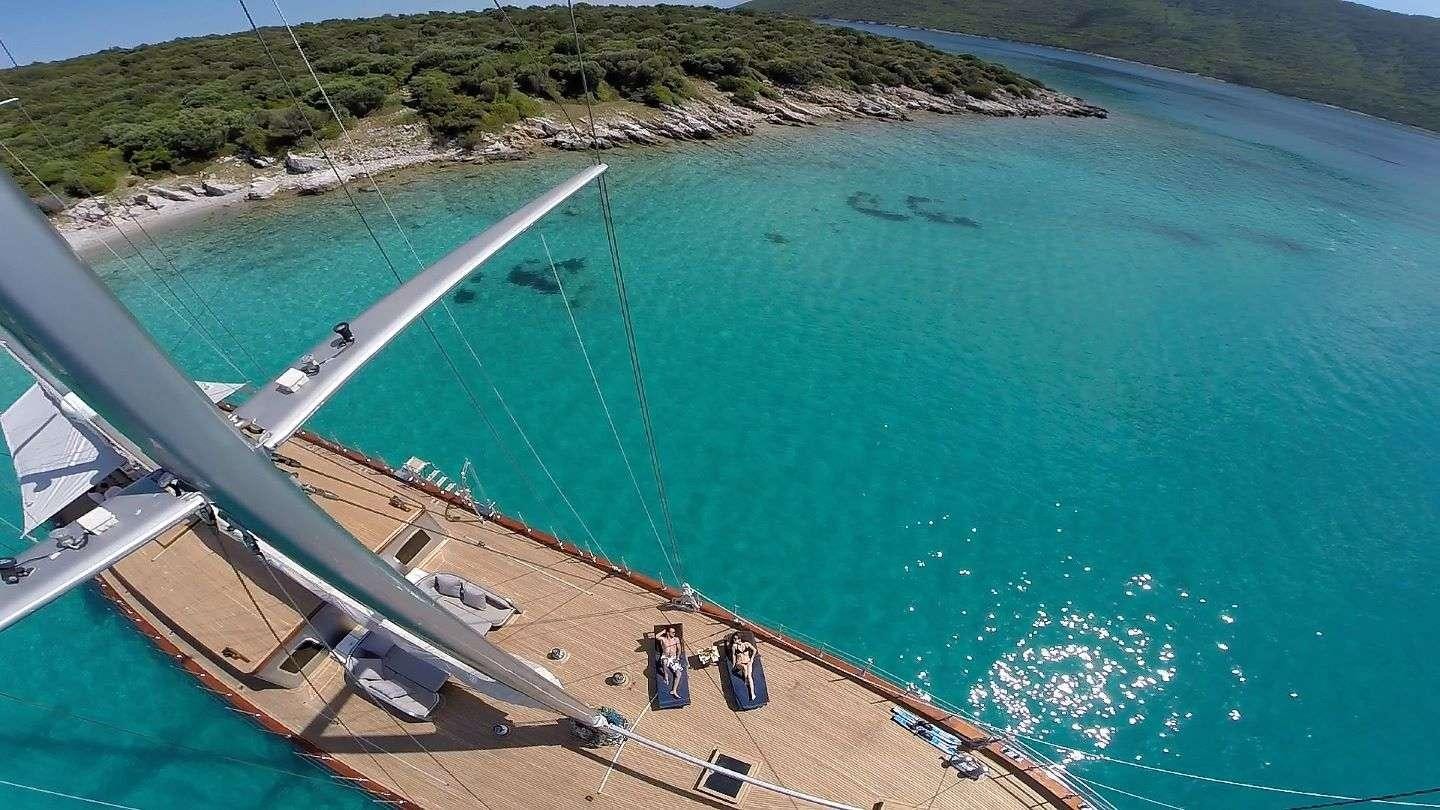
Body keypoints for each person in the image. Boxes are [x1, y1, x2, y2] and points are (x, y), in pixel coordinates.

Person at [656, 626, 684, 698]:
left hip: (673, 658)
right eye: (673, 632)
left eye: (675, 632)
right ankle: (666, 675)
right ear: (668, 633)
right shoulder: (663, 639)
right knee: (664, 661)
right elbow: (656, 636)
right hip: (665, 656)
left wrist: (677, 658)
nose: (674, 633)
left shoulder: (676, 639)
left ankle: (674, 690)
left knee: (679, 674)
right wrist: (663, 631)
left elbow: (679, 649)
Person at [730, 633, 758, 701]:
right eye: (734, 639)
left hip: (748, 661)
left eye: (736, 639)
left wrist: (752, 659)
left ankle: (752, 693)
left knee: (750, 676)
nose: (735, 640)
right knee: (744, 668)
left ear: (739, 639)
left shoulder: (746, 644)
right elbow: (733, 655)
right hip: (739, 663)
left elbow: (754, 650)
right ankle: (745, 680)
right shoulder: (734, 646)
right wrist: (734, 664)